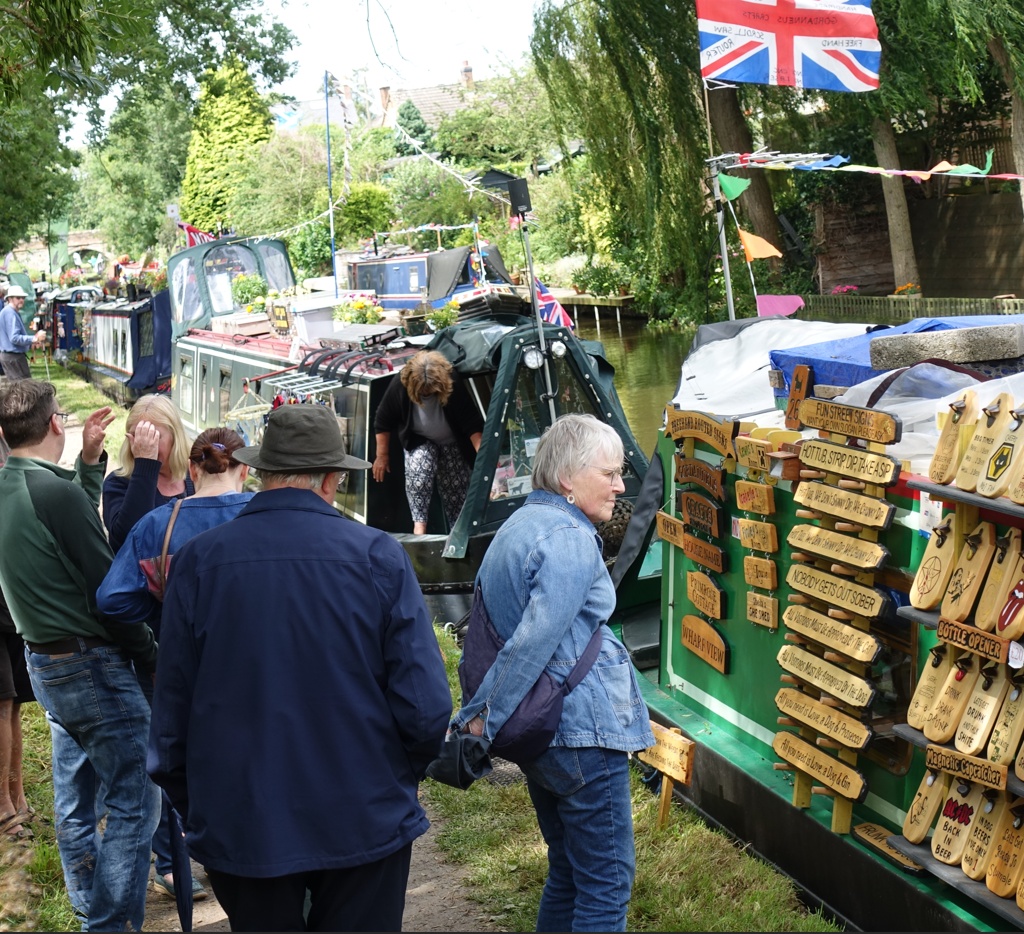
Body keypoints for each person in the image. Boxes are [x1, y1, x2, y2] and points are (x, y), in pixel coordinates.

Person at [148, 404, 453, 932]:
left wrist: (200, 802)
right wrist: (398, 777)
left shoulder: (198, 562)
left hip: (243, 815)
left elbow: (172, 708)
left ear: (262, 474)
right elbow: (426, 708)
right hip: (364, 811)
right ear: (332, 480)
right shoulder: (378, 555)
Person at [449, 413, 654, 932]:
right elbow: (530, 644)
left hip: (548, 733)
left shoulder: (519, 525)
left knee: (567, 869)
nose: (620, 484)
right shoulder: (567, 538)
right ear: (568, 478)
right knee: (606, 884)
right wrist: (480, 721)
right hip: (580, 733)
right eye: (607, 473)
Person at [0, 378, 159, 931]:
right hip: (91, 664)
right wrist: (150, 654)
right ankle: (110, 924)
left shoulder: (12, 485)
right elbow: (109, 591)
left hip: (44, 661)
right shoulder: (57, 494)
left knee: (75, 794)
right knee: (137, 799)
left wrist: (89, 465)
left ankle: (90, 905)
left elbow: (55, 528)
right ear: (54, 424)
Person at [97, 426, 253, 902]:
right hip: (260, 673)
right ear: (244, 470)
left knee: (199, 781)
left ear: (193, 468)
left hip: (190, 681)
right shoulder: (260, 515)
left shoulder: (159, 525)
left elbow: (112, 599)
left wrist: (162, 607)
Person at [372, 349, 483, 535]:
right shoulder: (400, 384)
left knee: (456, 489)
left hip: (452, 442)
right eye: (423, 392)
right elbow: (383, 420)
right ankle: (419, 528)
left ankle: (460, 535)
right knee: (419, 475)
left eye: (430, 391)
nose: (426, 394)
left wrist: (484, 459)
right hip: (420, 439)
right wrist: (381, 456)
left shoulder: (452, 381)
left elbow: (471, 424)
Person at [102, 392, 194, 553]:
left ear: (175, 437)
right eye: (139, 436)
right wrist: (145, 466)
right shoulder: (117, 483)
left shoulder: (196, 474)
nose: (146, 444)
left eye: (154, 436)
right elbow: (126, 540)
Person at [0, 285, 46, 380]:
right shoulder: (9, 313)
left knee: (23, 389)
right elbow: (14, 338)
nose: (21, 300)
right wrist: (35, 338)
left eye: (23, 298)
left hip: (13, 356)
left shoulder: (11, 312)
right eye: (18, 298)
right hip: (13, 357)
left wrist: (32, 343)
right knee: (22, 390)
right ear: (10, 299)